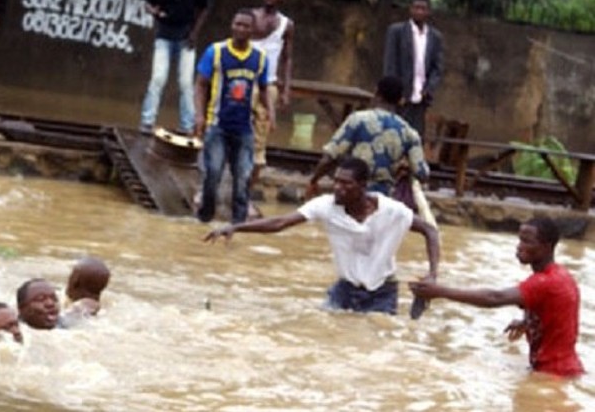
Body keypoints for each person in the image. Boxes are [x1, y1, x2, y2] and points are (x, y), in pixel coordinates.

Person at [204, 157, 439, 315]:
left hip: (382, 293)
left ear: (362, 186)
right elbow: (280, 222)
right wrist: (236, 227)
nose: (337, 188)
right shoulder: (325, 206)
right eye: (335, 181)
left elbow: (430, 230)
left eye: (345, 184)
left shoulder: (391, 210)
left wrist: (432, 274)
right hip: (345, 289)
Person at [409, 217, 584, 378]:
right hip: (560, 370)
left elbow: (494, 297)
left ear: (547, 247)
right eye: (519, 239)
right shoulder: (560, 275)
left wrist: (439, 291)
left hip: (554, 374)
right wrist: (527, 323)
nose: (519, 246)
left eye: (527, 241)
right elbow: (558, 313)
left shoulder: (544, 281)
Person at [195, 9, 274, 224]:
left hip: (244, 128)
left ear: (253, 30)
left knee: (243, 180)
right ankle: (204, 219)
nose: (240, 29)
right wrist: (199, 115)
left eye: (245, 26)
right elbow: (201, 85)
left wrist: (270, 113)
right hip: (217, 125)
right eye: (237, 24)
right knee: (212, 174)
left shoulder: (259, 59)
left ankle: (238, 226)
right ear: (232, 25)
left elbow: (264, 88)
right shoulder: (216, 52)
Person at [307, 76, 429, 197]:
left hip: (352, 193)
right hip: (382, 197)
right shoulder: (409, 133)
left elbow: (330, 157)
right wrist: (405, 169)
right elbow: (422, 173)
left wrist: (314, 180)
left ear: (376, 93)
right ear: (401, 100)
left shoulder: (357, 120)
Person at [140, 0, 209, 136]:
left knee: (185, 82)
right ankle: (147, 121)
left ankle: (187, 125)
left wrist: (194, 33)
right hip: (164, 35)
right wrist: (154, 11)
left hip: (186, 37)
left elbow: (203, 8)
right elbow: (147, 3)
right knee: (158, 78)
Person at [250, 0, 294, 194]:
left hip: (269, 84)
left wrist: (285, 89)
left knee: (261, 137)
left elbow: (287, 58)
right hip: (244, 81)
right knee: (233, 129)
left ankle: (248, 189)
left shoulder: (286, 24)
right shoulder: (248, 18)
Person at [383, 0, 443, 138]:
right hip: (400, 96)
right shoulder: (396, 31)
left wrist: (428, 89)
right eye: (416, 8)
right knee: (395, 135)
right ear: (410, 10)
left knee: (415, 137)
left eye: (423, 9)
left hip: (421, 97)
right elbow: (390, 64)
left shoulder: (435, 37)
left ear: (428, 12)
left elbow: (437, 68)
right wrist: (395, 93)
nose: (419, 12)